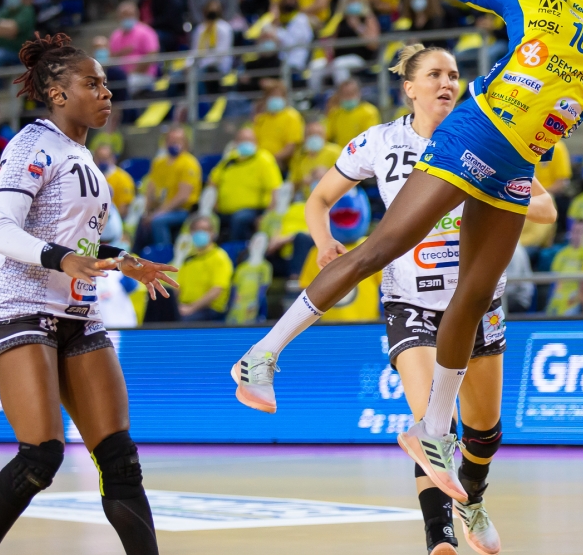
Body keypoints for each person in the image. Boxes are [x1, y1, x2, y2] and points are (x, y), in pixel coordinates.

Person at [234, 0, 583, 508]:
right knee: (382, 248)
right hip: (474, 134)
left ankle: (431, 432)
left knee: (473, 298)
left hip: (519, 166)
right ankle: (259, 357)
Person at [236, 45, 557, 553]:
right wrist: (323, 241)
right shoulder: (380, 142)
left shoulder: (491, 136)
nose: (447, 83)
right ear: (409, 88)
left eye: (454, 74)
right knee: (434, 425)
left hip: (477, 303)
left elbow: (547, 208)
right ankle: (441, 538)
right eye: (434, 75)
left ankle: (472, 500)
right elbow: (319, 198)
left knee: (484, 434)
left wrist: (494, 191)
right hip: (411, 301)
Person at [0, 32, 176, 553]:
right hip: (23, 307)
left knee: (120, 459)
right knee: (41, 455)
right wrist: (60, 257)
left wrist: (123, 259)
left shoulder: (82, 157)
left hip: (78, 310)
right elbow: (3, 230)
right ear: (57, 93)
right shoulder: (31, 146)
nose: (107, 93)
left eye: (106, 85)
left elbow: (79, 240)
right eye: (92, 84)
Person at [210, 128, 284, 241]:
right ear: (235, 143)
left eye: (249, 140)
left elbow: (275, 189)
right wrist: (213, 203)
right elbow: (213, 181)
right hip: (223, 211)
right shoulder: (230, 159)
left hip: (254, 210)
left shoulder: (264, 159)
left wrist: (267, 216)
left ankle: (237, 250)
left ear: (256, 142)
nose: (246, 143)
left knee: (240, 219)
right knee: (204, 221)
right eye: (242, 140)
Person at [140, 127, 202, 248]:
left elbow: (183, 196)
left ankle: (164, 255)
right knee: (142, 221)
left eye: (178, 140)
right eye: (170, 140)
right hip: (160, 208)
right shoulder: (159, 163)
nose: (173, 143)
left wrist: (159, 212)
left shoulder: (189, 163)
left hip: (182, 210)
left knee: (158, 221)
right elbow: (150, 189)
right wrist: (147, 211)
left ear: (185, 143)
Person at [315, 0, 380, 92]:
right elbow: (332, 42)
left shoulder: (367, 18)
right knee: (316, 66)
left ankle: (344, 94)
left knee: (339, 65)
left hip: (360, 59)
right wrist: (328, 52)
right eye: (350, 0)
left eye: (356, 0)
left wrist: (357, 26)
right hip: (338, 58)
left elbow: (373, 44)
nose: (353, 3)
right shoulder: (340, 21)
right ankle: (316, 97)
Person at [176, 215, 233, 322]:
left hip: (209, 309)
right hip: (186, 306)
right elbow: (178, 289)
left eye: (205, 230)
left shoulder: (219, 257)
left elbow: (216, 291)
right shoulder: (189, 260)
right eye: (197, 230)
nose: (200, 233)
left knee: (183, 321)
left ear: (212, 233)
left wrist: (191, 308)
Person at [107, 1, 160, 95]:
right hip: (120, 77)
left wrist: (131, 73)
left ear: (136, 15)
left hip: (143, 76)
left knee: (126, 85)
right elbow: (111, 58)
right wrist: (121, 53)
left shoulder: (146, 32)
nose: (126, 18)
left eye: (129, 15)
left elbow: (152, 56)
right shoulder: (115, 36)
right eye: (123, 15)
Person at [253, 82, 306, 167]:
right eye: (271, 96)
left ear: (284, 98)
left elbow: (291, 147)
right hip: (260, 161)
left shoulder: (292, 116)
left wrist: (271, 159)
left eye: (277, 96)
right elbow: (254, 142)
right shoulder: (260, 119)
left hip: (282, 162)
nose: (274, 98)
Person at [546, 219, 583, 316]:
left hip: (577, 299)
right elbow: (554, 282)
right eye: (574, 231)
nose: (577, 235)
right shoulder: (561, 254)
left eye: (580, 232)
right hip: (559, 299)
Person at [325, 78, 381, 146]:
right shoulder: (335, 113)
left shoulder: (369, 112)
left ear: (358, 93)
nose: (348, 97)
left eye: (351, 93)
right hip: (341, 153)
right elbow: (326, 135)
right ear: (339, 96)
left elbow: (370, 137)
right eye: (345, 94)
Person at [288, 120, 341, 187]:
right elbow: (293, 183)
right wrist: (303, 182)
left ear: (325, 136)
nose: (315, 138)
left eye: (318, 134)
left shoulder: (335, 151)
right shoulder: (300, 157)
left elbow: (347, 177)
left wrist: (326, 175)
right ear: (304, 137)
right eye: (311, 134)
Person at [0, 0, 35, 68]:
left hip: (16, 51)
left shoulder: (26, 11)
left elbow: (13, 30)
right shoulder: (5, 10)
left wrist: (2, 28)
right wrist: (6, 28)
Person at [93, 145, 135, 218]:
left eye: (105, 158)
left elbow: (124, 209)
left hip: (113, 218)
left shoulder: (123, 178)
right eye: (99, 158)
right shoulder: (91, 176)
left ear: (113, 159)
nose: (102, 162)